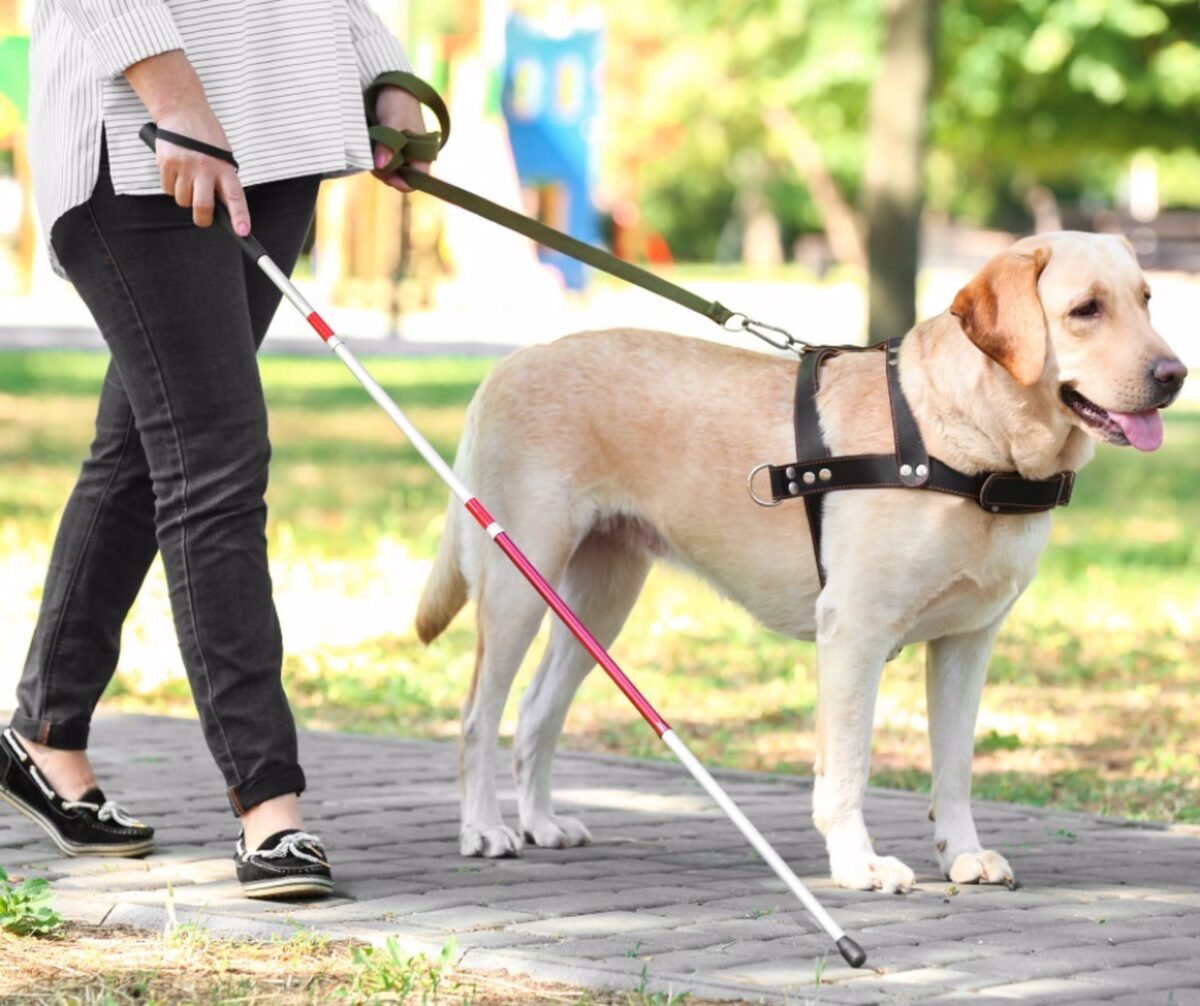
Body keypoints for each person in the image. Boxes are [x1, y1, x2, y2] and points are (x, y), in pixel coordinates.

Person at [0, 0, 429, 899]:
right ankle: (269, 808)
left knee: (140, 454)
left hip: (281, 129)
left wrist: (379, 70)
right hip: (147, 136)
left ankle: (42, 735)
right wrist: (175, 97)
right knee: (216, 457)